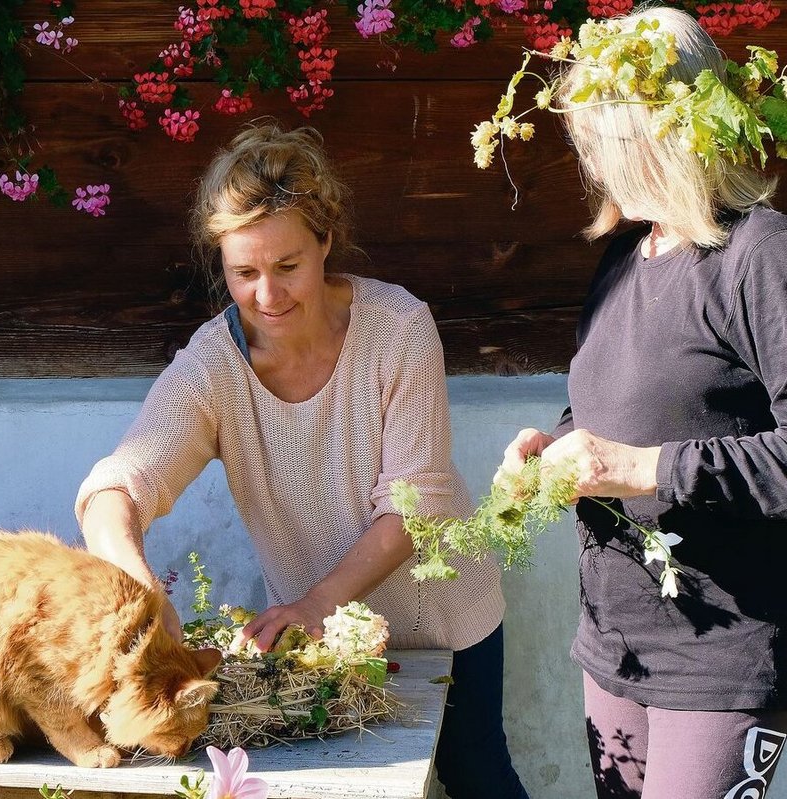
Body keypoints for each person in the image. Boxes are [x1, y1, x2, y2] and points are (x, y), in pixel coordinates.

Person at [76, 123, 528, 799]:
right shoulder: (211, 367)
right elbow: (116, 487)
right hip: (318, 645)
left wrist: (317, 602)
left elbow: (414, 506)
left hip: (440, 618)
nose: (267, 295)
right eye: (244, 273)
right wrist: (142, 591)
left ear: (326, 241)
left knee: (477, 777)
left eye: (287, 267)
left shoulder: (399, 327)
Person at [493, 8, 787, 798]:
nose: (591, 159)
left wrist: (644, 467)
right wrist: (550, 450)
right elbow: (609, 411)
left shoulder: (759, 255)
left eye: (606, 138)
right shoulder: (628, 256)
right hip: (617, 644)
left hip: (723, 654)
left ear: (667, 133)